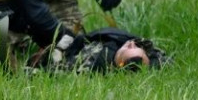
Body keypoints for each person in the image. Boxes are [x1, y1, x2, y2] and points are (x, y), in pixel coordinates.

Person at [30, 27, 169, 73]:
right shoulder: (145, 52)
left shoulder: (90, 62)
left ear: (119, 63)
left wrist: (59, 48)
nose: (132, 43)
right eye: (137, 47)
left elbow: (54, 69)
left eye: (129, 47)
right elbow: (163, 58)